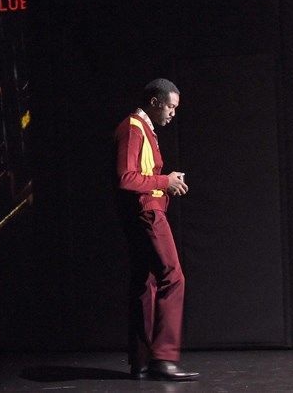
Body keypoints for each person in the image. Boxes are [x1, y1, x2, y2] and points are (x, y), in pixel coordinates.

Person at [113, 78, 199, 381]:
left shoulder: (144, 130)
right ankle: (163, 357)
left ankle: (142, 361)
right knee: (173, 277)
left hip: (146, 210)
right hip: (146, 212)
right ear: (155, 102)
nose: (173, 113)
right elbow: (126, 178)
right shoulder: (133, 127)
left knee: (146, 282)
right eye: (170, 107)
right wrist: (165, 182)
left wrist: (167, 182)